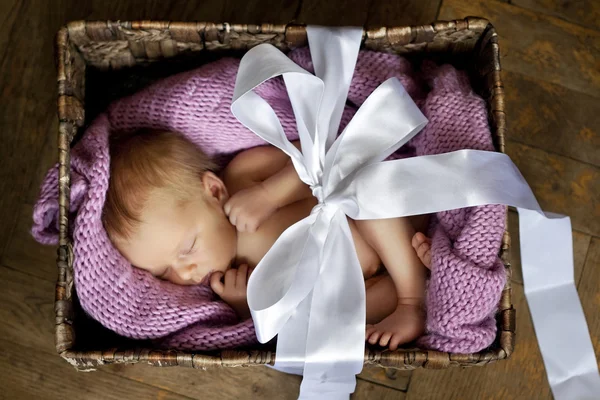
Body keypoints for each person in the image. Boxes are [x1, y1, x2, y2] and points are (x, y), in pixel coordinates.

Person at [103, 128, 433, 351]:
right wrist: (244, 304)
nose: (186, 272)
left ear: (214, 191)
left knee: (363, 188)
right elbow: (274, 321)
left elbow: (326, 156)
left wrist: (269, 194)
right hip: (369, 286)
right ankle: (430, 279)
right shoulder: (231, 282)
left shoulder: (242, 176)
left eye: (187, 249)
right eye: (164, 272)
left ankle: (412, 302)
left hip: (378, 226)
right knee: (319, 324)